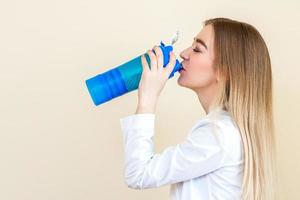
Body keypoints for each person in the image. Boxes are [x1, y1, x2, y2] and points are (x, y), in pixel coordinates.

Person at [120, 17, 276, 200]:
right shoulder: (227, 130)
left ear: (224, 71)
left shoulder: (219, 133)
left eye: (197, 49)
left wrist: (147, 98)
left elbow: (138, 174)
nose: (184, 53)